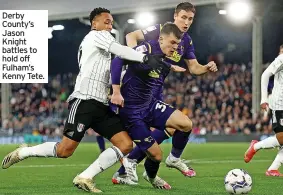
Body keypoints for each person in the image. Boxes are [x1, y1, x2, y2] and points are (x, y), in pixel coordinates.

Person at [2, 7, 169, 193]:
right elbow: (119, 50)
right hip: (85, 100)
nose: (109, 25)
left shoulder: (102, 45)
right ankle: (24, 152)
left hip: (102, 105)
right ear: (94, 23)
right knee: (65, 150)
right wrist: (144, 57)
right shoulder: (97, 36)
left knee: (125, 144)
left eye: (111, 22)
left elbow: (115, 64)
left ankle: (85, 177)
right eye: (106, 21)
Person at [113, 2, 218, 183]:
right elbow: (131, 35)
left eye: (190, 19)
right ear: (175, 15)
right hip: (138, 92)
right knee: (155, 140)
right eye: (183, 17)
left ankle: (163, 161)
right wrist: (133, 55)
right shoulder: (159, 30)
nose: (186, 22)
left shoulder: (186, 41)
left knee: (174, 127)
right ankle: (130, 168)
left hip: (155, 91)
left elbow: (193, 68)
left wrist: (207, 68)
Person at [244, 45, 283, 177]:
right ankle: (255, 146)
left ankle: (273, 169)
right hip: (280, 105)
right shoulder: (282, 58)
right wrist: (264, 99)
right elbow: (265, 74)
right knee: (282, 138)